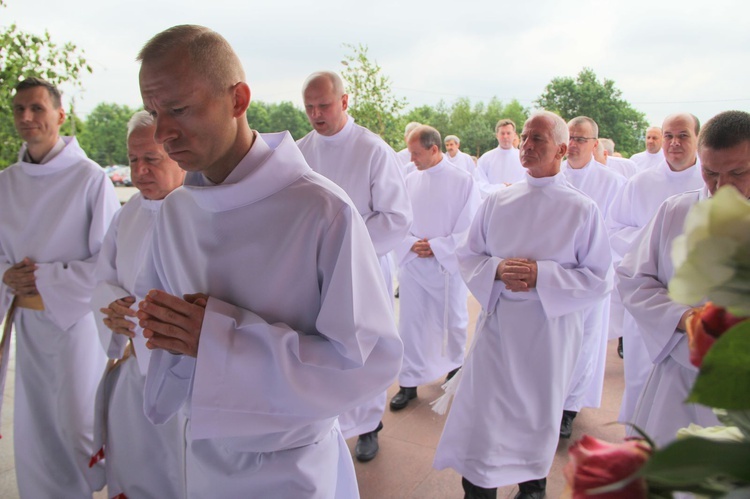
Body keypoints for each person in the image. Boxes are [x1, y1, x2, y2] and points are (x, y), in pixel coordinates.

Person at [133, 25, 402, 498]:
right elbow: (165, 335)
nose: (162, 133)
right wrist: (162, 329)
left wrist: (219, 340)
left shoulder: (321, 210)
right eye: (154, 112)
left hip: (289, 465)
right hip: (202, 457)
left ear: (238, 99)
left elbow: (366, 363)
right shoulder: (176, 212)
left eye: (178, 109)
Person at [433, 111, 613, 499]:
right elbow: (469, 256)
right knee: (485, 420)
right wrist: (496, 270)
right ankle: (478, 488)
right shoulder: (498, 201)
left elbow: (600, 279)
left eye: (538, 140)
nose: (526, 146)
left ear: (562, 150)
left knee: (534, 420)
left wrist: (543, 276)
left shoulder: (582, 209)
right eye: (525, 137)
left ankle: (532, 487)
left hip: (547, 337)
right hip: (498, 332)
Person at [0, 77, 120, 497]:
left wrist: (43, 278)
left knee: (75, 426)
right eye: (19, 109)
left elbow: (108, 260)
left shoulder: (89, 179)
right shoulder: (5, 182)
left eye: (37, 108)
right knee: (35, 429)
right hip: (28, 329)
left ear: (60, 115)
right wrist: (5, 276)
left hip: (73, 325)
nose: (27, 117)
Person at [297, 70, 412, 462]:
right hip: (312, 271)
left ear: (345, 102)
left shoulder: (372, 149)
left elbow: (396, 216)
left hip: (361, 268)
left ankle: (368, 426)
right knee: (320, 346)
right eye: (309, 107)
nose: (316, 114)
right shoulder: (298, 151)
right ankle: (323, 423)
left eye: (324, 105)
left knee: (361, 347)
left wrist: (345, 240)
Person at [616, 110, 750, 445]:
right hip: (679, 379)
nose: (722, 187)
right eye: (710, 173)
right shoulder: (676, 211)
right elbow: (634, 279)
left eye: (738, 173)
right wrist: (683, 318)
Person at [90, 111, 186, 498]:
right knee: (136, 469)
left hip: (185, 375)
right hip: (133, 367)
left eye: (151, 159)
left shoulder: (200, 213)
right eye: (133, 160)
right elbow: (103, 278)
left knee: (180, 473)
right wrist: (113, 306)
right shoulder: (126, 214)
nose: (140, 170)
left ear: (177, 155)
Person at [608, 113, 704, 426]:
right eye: (668, 135)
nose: (674, 143)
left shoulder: (712, 181)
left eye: (683, 135)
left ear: (698, 139)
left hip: (700, 307)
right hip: (652, 301)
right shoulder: (640, 182)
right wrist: (657, 243)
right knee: (640, 379)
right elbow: (614, 229)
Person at [390, 125, 480, 411]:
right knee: (411, 325)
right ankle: (408, 383)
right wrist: (409, 243)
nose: (411, 159)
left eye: (416, 153)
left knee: (452, 322)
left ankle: (454, 371)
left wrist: (440, 247)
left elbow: (470, 226)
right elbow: (396, 218)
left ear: (434, 149)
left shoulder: (463, 180)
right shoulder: (407, 177)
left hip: (446, 269)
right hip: (414, 265)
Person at [559, 117, 624, 439]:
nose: (573, 144)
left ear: (595, 144)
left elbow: (615, 230)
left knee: (585, 343)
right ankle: (551, 399)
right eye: (570, 137)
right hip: (555, 276)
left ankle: (569, 408)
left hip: (590, 277)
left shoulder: (612, 182)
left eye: (581, 139)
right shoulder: (552, 174)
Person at [474, 119, 526, 198]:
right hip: (494, 203)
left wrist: (513, 190)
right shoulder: (486, 158)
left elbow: (528, 183)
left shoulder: (523, 157)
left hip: (518, 201)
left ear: (514, 135)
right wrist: (501, 188)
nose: (505, 136)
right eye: (502, 133)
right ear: (497, 135)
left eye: (508, 133)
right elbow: (479, 185)